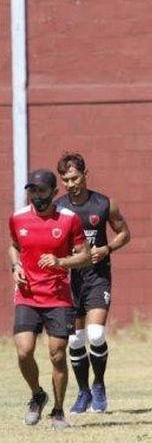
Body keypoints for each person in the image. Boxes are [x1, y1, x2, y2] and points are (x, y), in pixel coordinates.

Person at [8, 169, 90, 429]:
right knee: (24, 351)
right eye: (32, 190)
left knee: (57, 356)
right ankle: (37, 395)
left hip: (58, 298)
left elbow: (85, 255)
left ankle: (57, 411)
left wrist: (60, 261)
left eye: (41, 191)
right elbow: (14, 246)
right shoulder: (18, 218)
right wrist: (15, 267)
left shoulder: (69, 220)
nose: (36, 196)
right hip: (27, 296)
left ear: (54, 193)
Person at [55, 152, 131, 414]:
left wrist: (107, 248)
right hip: (69, 280)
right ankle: (83, 392)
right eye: (65, 180)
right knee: (75, 340)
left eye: (74, 178)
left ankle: (99, 386)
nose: (70, 184)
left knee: (96, 334)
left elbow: (124, 233)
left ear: (85, 175)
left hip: (98, 277)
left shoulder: (104, 204)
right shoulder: (58, 208)